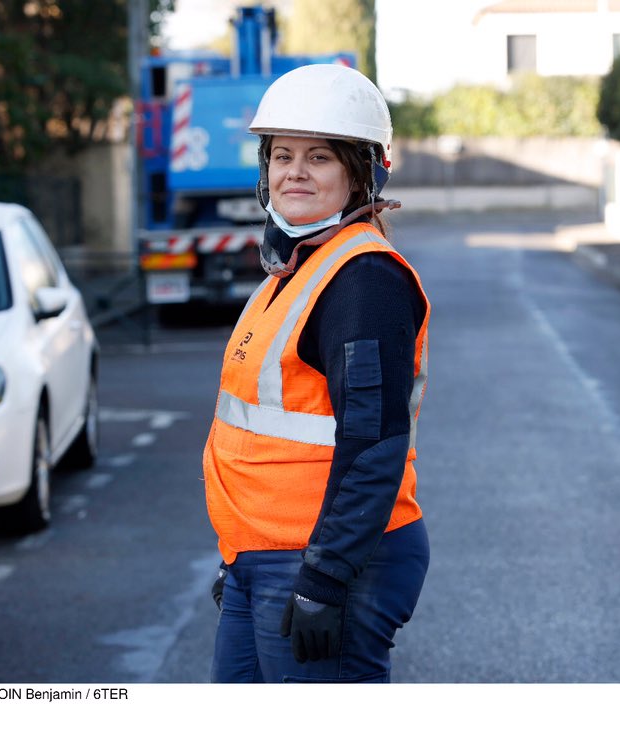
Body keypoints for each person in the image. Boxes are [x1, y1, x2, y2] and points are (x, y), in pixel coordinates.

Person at [202, 63, 431, 683]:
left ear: (363, 174)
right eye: (281, 155)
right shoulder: (298, 269)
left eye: (320, 157)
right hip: (265, 556)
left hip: (326, 563)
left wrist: (325, 580)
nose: (294, 171)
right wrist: (242, 556)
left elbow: (373, 444)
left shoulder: (364, 281)